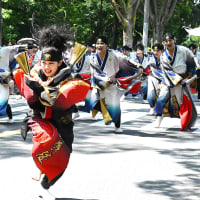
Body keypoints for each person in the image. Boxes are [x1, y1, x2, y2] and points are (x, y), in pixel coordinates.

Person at [13, 25, 90, 200]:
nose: (46, 67)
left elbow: (60, 102)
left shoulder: (69, 79)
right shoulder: (33, 74)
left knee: (62, 160)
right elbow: (34, 97)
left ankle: (45, 180)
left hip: (62, 123)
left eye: (51, 64)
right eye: (44, 63)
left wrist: (52, 86)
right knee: (45, 143)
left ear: (60, 63)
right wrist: (38, 89)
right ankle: (43, 184)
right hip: (41, 121)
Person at [90, 36, 140, 133]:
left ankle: (117, 126)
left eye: (102, 43)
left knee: (115, 105)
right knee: (93, 103)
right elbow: (95, 72)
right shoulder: (92, 57)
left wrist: (137, 65)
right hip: (99, 83)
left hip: (112, 83)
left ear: (106, 45)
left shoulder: (113, 53)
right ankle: (107, 113)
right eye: (98, 44)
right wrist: (105, 78)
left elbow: (125, 58)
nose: (99, 46)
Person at [154, 32, 197, 130]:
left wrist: (190, 75)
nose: (168, 43)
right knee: (161, 99)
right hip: (169, 80)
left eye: (170, 40)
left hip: (184, 79)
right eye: (166, 41)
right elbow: (167, 70)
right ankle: (159, 118)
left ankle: (188, 123)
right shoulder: (163, 56)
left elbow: (191, 63)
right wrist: (178, 81)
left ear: (175, 40)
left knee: (185, 102)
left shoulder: (183, 50)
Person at [0, 45, 24, 123]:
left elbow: (14, 48)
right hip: (4, 76)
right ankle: (10, 118)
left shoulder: (4, 50)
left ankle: (10, 118)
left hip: (3, 77)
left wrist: (21, 47)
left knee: (3, 99)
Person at [147, 43, 164, 115]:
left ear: (162, 51)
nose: (156, 52)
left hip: (164, 78)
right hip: (153, 77)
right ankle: (152, 107)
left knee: (163, 95)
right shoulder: (150, 57)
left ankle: (161, 109)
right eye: (154, 50)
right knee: (151, 92)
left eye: (158, 51)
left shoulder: (167, 58)